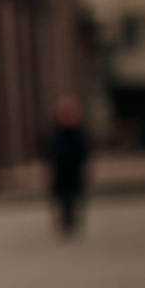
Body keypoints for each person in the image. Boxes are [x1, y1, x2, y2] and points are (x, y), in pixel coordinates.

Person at [47, 95, 90, 237]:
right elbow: (51, 152)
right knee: (64, 197)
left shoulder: (77, 133)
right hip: (62, 171)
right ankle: (66, 220)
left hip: (74, 170)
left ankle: (70, 220)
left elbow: (83, 151)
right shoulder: (57, 133)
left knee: (73, 196)